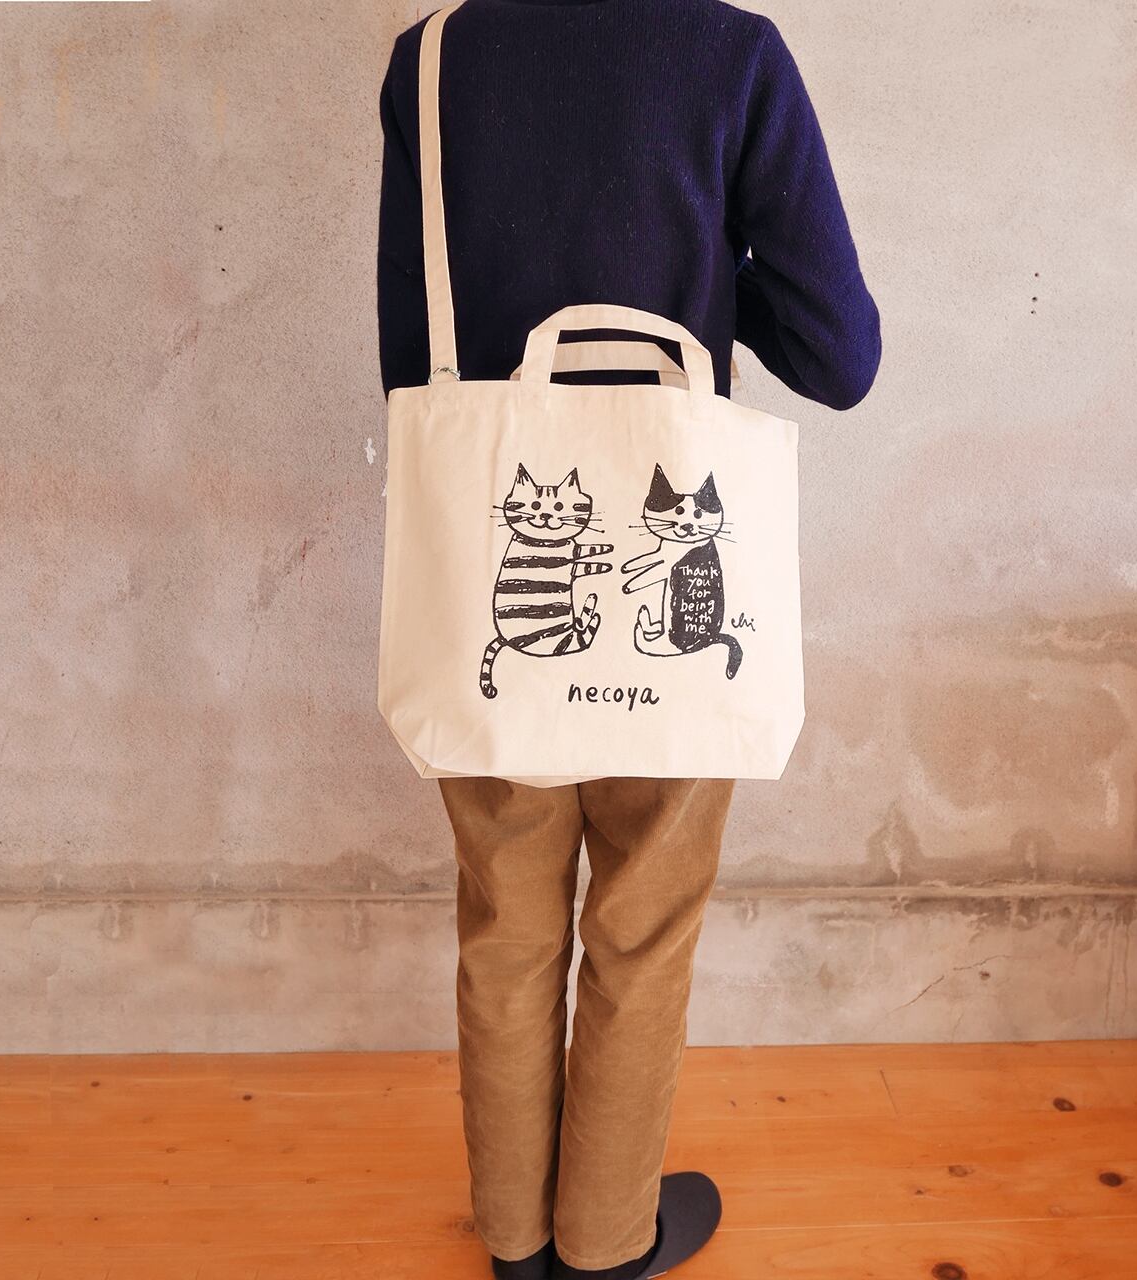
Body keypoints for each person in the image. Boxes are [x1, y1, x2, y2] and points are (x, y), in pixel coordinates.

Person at [377, 0, 880, 1276]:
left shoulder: (431, 57)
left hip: (494, 572)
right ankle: (604, 1241)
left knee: (505, 927)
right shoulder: (731, 56)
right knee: (640, 928)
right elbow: (838, 354)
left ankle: (513, 1237)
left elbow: (415, 359)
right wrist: (699, 269)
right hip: (669, 593)